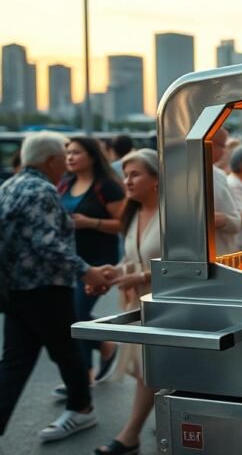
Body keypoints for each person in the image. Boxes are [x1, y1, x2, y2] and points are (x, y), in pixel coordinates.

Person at [0, 131, 117, 443]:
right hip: (46, 287)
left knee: (16, 361)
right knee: (66, 351)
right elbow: (48, 244)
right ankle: (81, 408)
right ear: (51, 160)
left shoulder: (9, 186)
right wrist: (86, 272)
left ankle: (79, 407)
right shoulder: (42, 190)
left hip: (16, 289)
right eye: (63, 158)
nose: (66, 165)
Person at [94, 149, 161, 455]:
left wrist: (139, 276)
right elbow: (133, 257)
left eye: (135, 174)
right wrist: (114, 272)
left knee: (150, 370)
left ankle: (129, 436)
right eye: (125, 175)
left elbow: (186, 264)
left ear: (156, 179)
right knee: (147, 370)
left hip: (166, 306)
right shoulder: (133, 212)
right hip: (140, 305)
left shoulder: (174, 215)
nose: (127, 181)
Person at [60, 137, 125, 384]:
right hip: (70, 259)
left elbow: (122, 223)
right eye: (68, 153)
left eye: (76, 152)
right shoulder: (65, 184)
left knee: (77, 312)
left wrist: (90, 222)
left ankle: (84, 376)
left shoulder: (107, 186)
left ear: (92, 156)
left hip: (99, 259)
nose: (70, 157)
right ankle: (104, 345)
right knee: (70, 314)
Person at [210, 129, 242, 254]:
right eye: (221, 146)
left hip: (222, 255)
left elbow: (237, 221)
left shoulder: (219, 175)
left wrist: (224, 220)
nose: (224, 151)